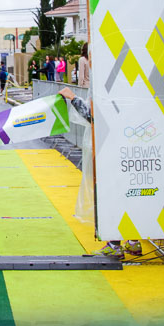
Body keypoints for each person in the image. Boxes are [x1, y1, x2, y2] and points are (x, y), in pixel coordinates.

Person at [57, 86, 143, 260]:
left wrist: (72, 98)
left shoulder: (106, 80)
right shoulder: (127, 84)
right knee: (127, 193)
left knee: (112, 195)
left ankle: (114, 244)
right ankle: (133, 240)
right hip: (129, 144)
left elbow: (94, 116)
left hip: (109, 147)